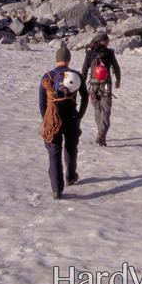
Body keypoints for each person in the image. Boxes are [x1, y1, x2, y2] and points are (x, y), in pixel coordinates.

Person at [38, 47, 88, 199]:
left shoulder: (47, 76)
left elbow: (42, 102)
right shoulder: (76, 75)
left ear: (56, 59)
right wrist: (79, 115)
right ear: (69, 59)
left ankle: (56, 189)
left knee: (54, 151)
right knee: (71, 148)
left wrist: (46, 119)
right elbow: (85, 96)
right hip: (71, 118)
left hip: (53, 118)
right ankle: (71, 176)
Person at [82, 32, 121, 147]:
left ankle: (100, 132)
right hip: (106, 85)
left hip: (93, 85)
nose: (108, 43)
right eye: (107, 41)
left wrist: (82, 85)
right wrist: (118, 80)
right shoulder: (109, 53)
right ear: (103, 42)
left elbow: (84, 70)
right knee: (106, 109)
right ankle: (101, 134)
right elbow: (116, 67)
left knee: (97, 108)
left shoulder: (90, 53)